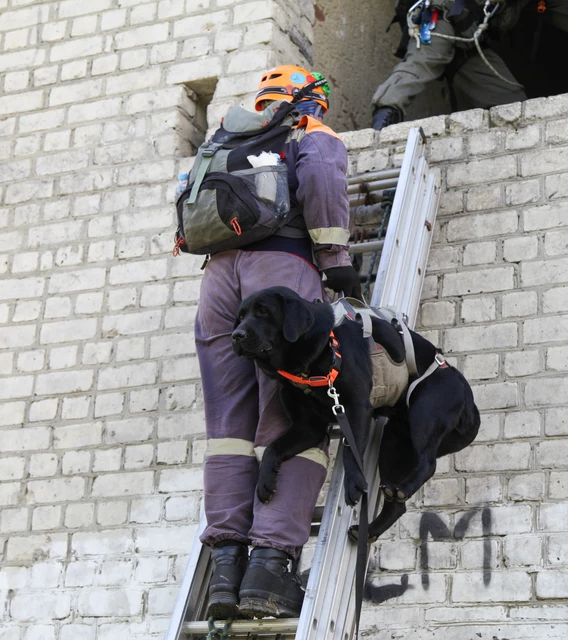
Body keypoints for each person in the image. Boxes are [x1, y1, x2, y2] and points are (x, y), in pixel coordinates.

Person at [193, 65, 361, 620]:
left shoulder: (227, 135)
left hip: (219, 284)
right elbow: (320, 181)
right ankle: (268, 567)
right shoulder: (308, 129)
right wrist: (335, 263)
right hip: (280, 272)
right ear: (308, 96)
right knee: (295, 417)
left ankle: (224, 567)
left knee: (228, 427)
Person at [371, 0, 568, 130]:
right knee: (425, 62)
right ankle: (383, 122)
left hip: (469, 47)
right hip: (440, 16)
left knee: (511, 103)